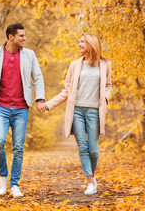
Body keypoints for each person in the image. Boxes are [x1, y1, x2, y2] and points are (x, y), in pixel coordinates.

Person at [42, 33, 112, 195]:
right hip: (77, 111)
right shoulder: (74, 65)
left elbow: (108, 86)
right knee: (82, 146)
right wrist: (48, 105)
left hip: (94, 111)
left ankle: (92, 178)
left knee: (93, 150)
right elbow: (66, 91)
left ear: (91, 44)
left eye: (82, 42)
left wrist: (105, 98)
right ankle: (89, 181)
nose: (79, 44)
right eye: (79, 42)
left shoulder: (105, 64)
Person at [0, 23, 46, 197]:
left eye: (24, 36)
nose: (24, 39)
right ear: (11, 37)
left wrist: (40, 99)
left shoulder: (29, 55)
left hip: (21, 108)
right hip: (1, 107)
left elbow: (38, 78)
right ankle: (2, 176)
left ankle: (15, 184)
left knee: (18, 147)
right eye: (21, 36)